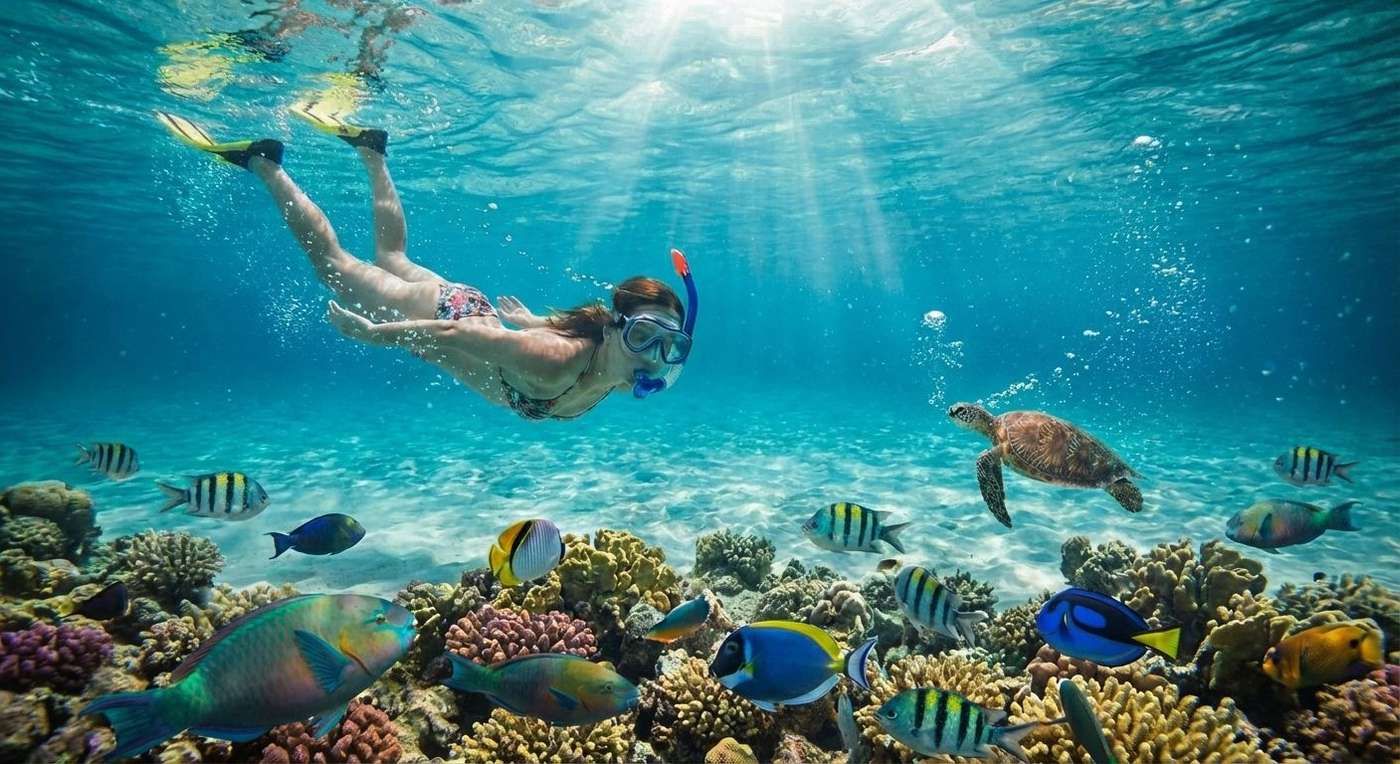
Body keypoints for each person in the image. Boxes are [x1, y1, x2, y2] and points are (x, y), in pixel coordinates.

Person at [155, 108, 698, 420]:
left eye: (669, 344)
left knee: (392, 258)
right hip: (448, 315)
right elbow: (452, 330)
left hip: (470, 311)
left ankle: (372, 151)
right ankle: (263, 162)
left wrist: (532, 318)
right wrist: (376, 333)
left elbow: (579, 331)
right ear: (620, 328)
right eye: (647, 335)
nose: (656, 357)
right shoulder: (553, 361)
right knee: (335, 266)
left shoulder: (612, 365)